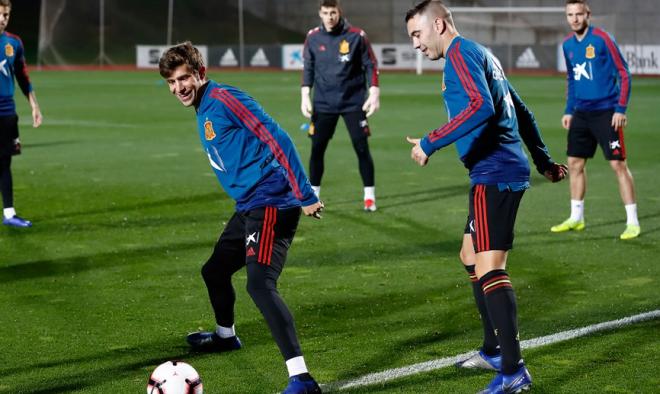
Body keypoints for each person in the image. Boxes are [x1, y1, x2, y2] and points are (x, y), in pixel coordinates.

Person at [404, 1, 568, 393]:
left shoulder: (460, 54)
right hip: (497, 170)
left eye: (416, 33)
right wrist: (544, 161)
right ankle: (494, 349)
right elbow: (521, 111)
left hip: (495, 173)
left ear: (438, 25)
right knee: (469, 256)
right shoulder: (481, 54)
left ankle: (513, 371)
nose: (414, 44)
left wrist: (430, 142)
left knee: (491, 267)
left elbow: (482, 105)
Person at [159, 42, 323, 394]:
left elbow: (276, 136)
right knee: (214, 271)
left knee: (259, 284)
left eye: (184, 78)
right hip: (249, 205)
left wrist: (304, 193)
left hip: (272, 201)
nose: (178, 88)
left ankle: (302, 379)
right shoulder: (203, 106)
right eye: (172, 83)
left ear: (200, 73)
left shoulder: (225, 98)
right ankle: (225, 337)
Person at [552, 0, 640, 240]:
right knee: (575, 164)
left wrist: (620, 109)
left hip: (606, 113)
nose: (574, 19)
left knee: (618, 165)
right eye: (570, 15)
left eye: (579, 14)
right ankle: (576, 218)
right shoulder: (567, 45)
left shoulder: (602, 38)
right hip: (581, 113)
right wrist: (569, 110)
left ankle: (633, 222)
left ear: (587, 14)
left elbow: (623, 72)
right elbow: (572, 79)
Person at [301, 0, 380, 212]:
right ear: (320, 14)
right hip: (323, 103)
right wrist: (305, 95)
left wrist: (374, 91)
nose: (329, 17)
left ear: (339, 13)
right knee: (317, 148)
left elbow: (371, 64)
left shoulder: (357, 36)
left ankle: (369, 196)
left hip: (353, 102)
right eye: (325, 13)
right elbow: (308, 67)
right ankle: (313, 195)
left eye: (333, 12)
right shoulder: (313, 37)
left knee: (361, 147)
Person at [0, 0, 42, 228]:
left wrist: (34, 105)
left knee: (4, 163)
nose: (3, 19)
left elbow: (22, 76)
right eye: (0, 14)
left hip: (6, 113)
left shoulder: (13, 42)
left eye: (6, 14)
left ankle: (9, 214)